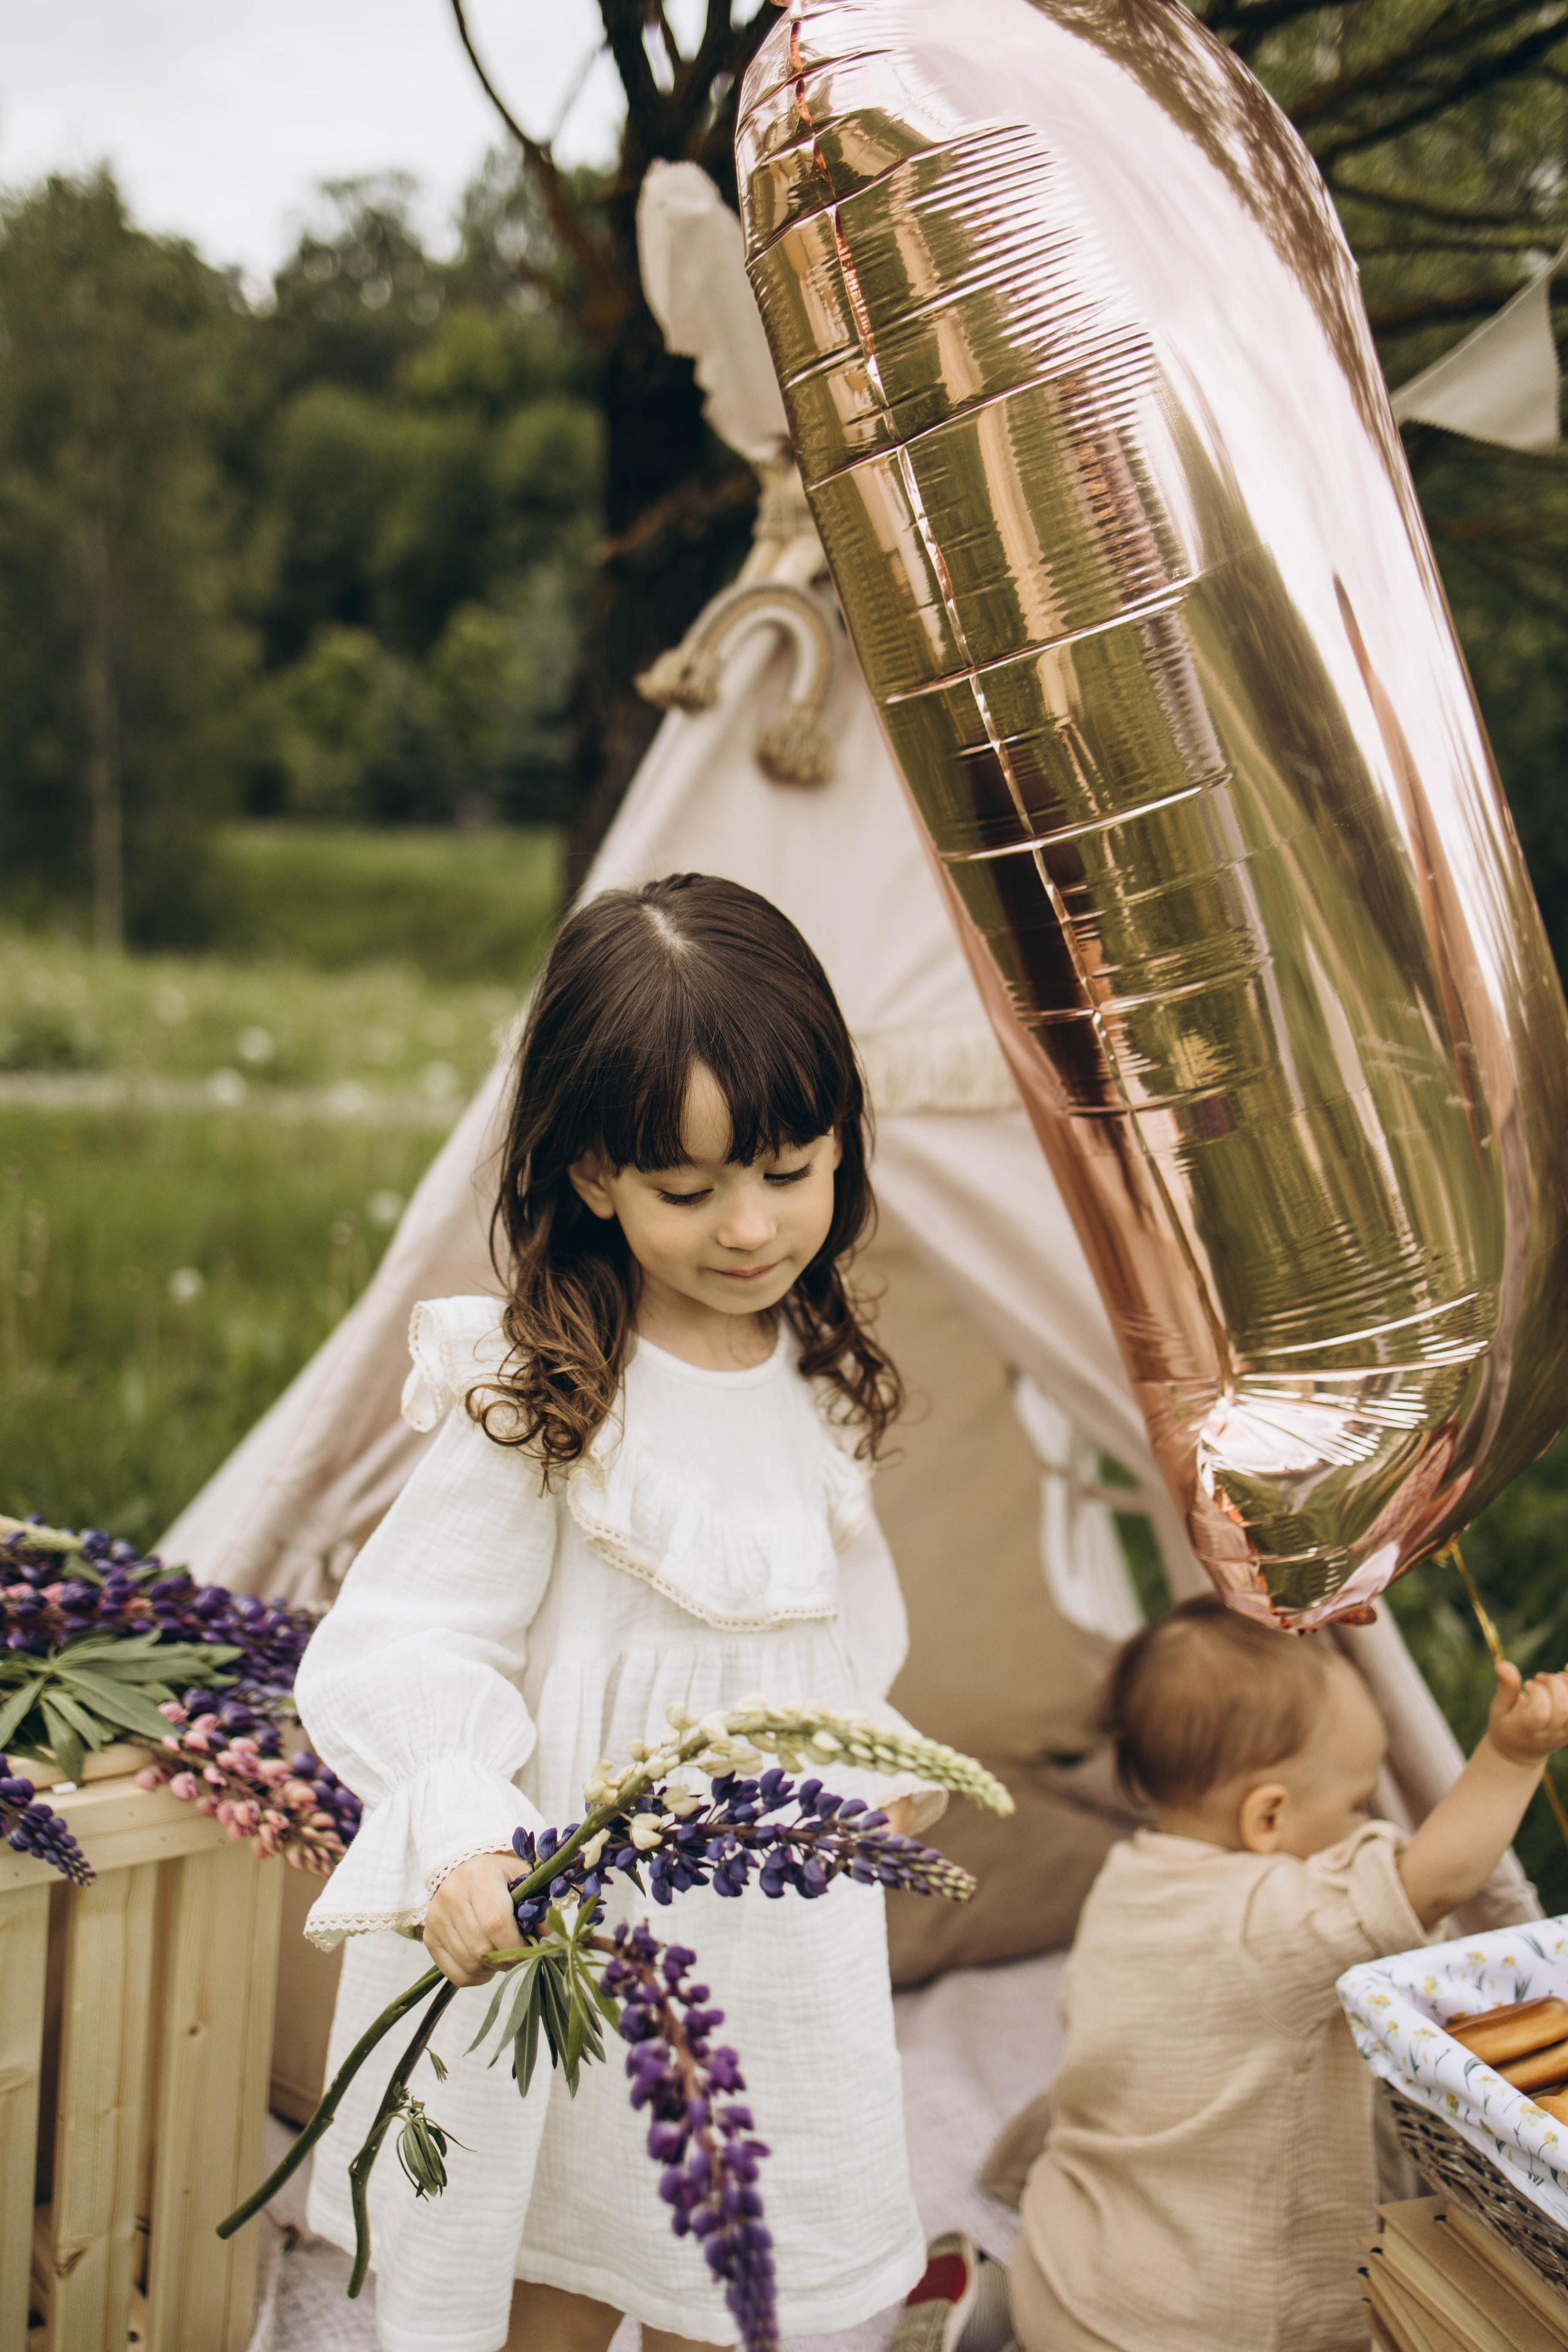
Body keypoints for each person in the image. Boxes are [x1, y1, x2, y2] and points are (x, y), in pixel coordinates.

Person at [293, 873, 941, 2352]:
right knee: (556, 2260)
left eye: (787, 1167)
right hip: (570, 1944)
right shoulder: (541, 1394)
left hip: (758, 1948)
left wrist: (867, 1765)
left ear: (840, 1134)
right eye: (687, 1186)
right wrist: (461, 1825)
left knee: (736, 2266)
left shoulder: (819, 1380)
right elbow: (406, 1637)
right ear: (593, 1174)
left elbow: (828, 1639)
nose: (748, 1225)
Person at [1006, 1594, 1568, 2352]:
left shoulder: (1132, 1877)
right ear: (1266, 1819)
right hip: (1199, 2330)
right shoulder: (1275, 1921)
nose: (1369, 1820)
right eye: (1356, 1798)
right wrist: (1511, 1757)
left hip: (1059, 2272)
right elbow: (1435, 1879)